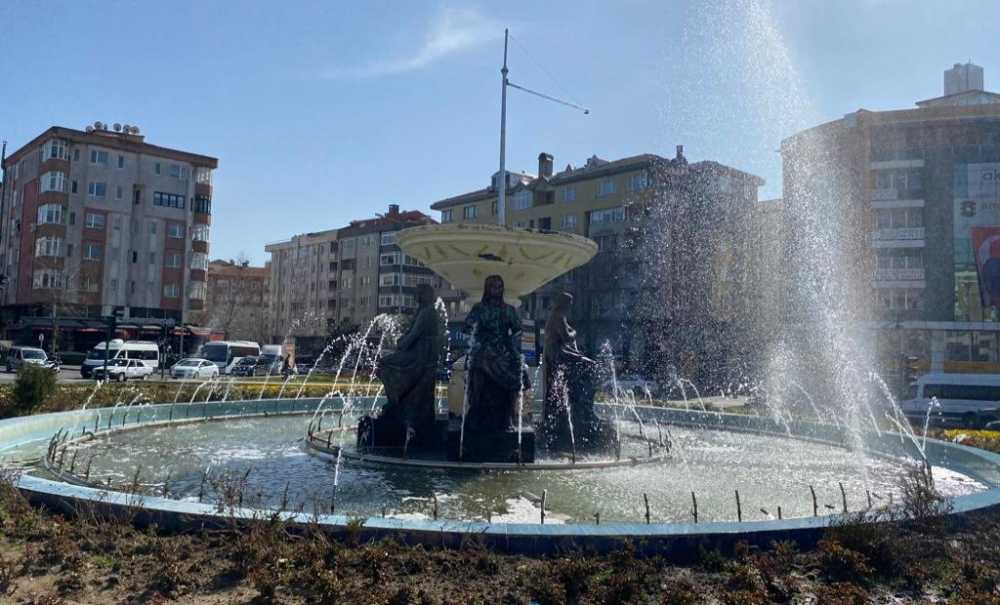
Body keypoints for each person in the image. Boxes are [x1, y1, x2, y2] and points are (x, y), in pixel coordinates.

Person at [375, 283, 442, 446]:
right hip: (417, 352)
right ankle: (398, 398)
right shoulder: (422, 311)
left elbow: (414, 335)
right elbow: (411, 333)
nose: (414, 296)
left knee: (385, 363)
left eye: (417, 293)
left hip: (421, 356)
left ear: (424, 295)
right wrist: (403, 341)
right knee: (386, 362)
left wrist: (401, 344)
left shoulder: (427, 312)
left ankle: (396, 399)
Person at [463, 275, 529, 432]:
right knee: (479, 366)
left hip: (503, 348)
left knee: (518, 370)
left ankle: (508, 416)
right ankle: (477, 412)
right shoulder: (479, 308)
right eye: (493, 286)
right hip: (484, 348)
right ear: (487, 289)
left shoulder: (508, 309)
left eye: (500, 287)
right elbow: (467, 327)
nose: (497, 290)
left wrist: (511, 340)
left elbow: (518, 329)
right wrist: (479, 338)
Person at [543, 291, 601, 448]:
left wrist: (571, 332)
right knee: (590, 365)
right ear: (564, 303)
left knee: (585, 361)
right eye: (570, 303)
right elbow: (567, 336)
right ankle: (585, 406)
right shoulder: (558, 316)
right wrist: (574, 332)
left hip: (559, 352)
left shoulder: (558, 316)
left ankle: (584, 405)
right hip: (557, 354)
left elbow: (567, 333)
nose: (571, 306)